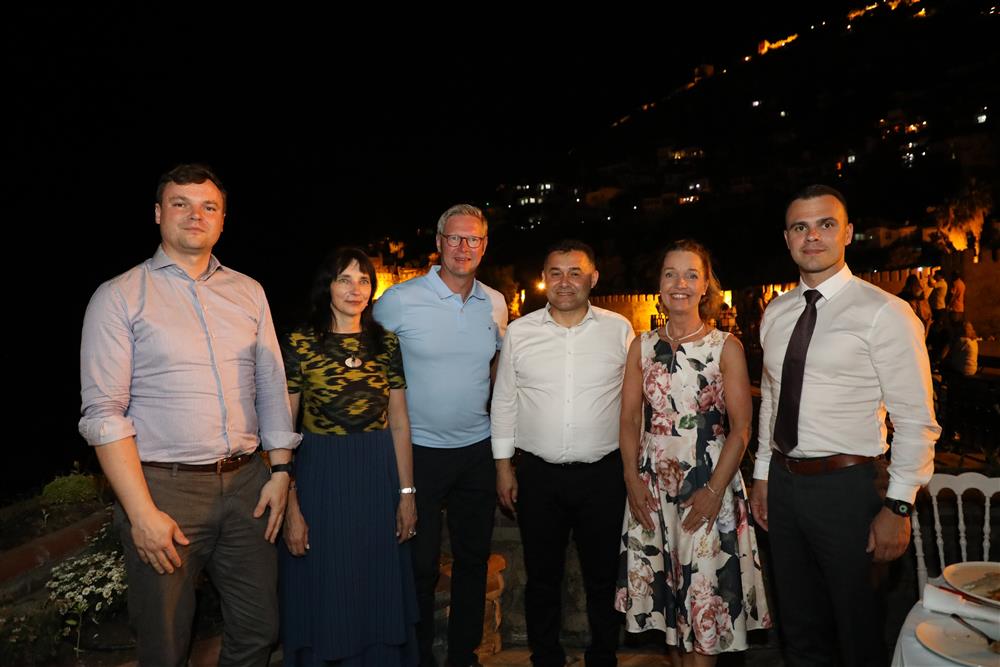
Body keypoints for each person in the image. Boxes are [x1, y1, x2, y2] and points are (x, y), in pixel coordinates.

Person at [79, 164, 300, 666]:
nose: (195, 215)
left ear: (223, 220)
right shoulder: (119, 296)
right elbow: (104, 413)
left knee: (259, 630)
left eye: (208, 206)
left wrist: (281, 471)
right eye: (181, 203)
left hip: (248, 487)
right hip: (165, 490)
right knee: (165, 643)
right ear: (159, 213)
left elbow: (271, 386)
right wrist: (141, 513)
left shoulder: (248, 292)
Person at [750, 185, 940, 666]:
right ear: (787, 239)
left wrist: (898, 504)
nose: (812, 236)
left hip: (849, 489)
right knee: (799, 632)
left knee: (858, 632)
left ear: (848, 233)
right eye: (800, 227)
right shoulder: (776, 313)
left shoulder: (884, 313)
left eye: (825, 224)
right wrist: (763, 475)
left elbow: (915, 419)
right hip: (785, 488)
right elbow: (772, 400)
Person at [616, 239, 770, 666]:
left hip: (708, 483)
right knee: (669, 607)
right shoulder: (642, 346)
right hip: (651, 486)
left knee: (703, 599)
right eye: (670, 274)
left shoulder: (726, 346)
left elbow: (741, 430)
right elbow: (629, 419)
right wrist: (631, 480)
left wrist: (715, 492)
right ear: (659, 285)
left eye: (690, 275)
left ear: (705, 286)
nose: (679, 283)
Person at [373, 204, 508, 667]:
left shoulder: (494, 302)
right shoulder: (399, 300)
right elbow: (367, 361)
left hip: (476, 450)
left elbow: (496, 367)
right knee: (419, 565)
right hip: (417, 452)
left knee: (473, 560)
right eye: (454, 238)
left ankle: (462, 655)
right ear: (438, 243)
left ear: (484, 246)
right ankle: (417, 656)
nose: (463, 247)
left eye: (473, 239)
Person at [491, 240, 633, 667]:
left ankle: (603, 656)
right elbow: (504, 401)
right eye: (555, 272)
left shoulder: (619, 330)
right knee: (541, 577)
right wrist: (503, 468)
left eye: (575, 272)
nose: (565, 281)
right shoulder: (520, 332)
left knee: (604, 577)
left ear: (593, 278)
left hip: (603, 475)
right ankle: (546, 657)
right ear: (544, 279)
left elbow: (637, 403)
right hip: (539, 475)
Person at [279, 247, 419, 666]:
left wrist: (407, 494)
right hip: (321, 478)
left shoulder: (386, 343)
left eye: (363, 280)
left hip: (377, 476)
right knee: (327, 583)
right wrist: (290, 505)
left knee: (376, 582)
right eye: (344, 279)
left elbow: (400, 423)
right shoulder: (300, 343)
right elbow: (283, 429)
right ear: (328, 286)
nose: (355, 289)